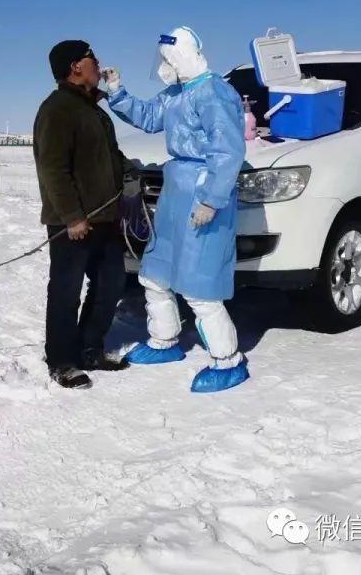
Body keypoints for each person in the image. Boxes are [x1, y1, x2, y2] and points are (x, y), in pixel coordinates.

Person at [101, 27, 249, 393]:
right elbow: (148, 117)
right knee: (155, 272)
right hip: (175, 192)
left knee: (200, 284)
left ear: (185, 55)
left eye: (168, 59)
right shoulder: (177, 94)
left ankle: (228, 360)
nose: (164, 66)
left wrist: (212, 199)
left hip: (202, 193)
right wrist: (117, 91)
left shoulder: (214, 93)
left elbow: (228, 151)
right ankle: (164, 341)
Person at [33, 40, 131, 389]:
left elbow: (108, 156)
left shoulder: (92, 109)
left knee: (110, 284)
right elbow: (53, 169)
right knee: (65, 290)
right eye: (92, 58)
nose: (98, 63)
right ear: (75, 66)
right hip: (72, 221)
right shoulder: (57, 109)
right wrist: (73, 216)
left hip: (104, 217)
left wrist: (129, 173)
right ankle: (61, 360)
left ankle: (90, 348)